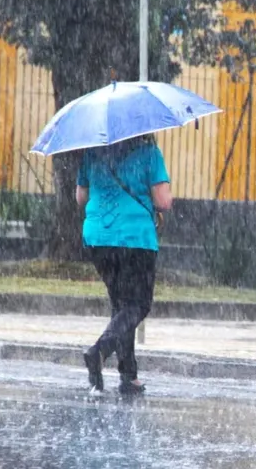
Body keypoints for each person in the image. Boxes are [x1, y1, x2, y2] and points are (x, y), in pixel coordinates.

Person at [76, 134, 172, 396]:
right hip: (135, 239)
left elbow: (81, 198)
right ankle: (100, 351)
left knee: (121, 306)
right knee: (138, 304)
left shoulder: (92, 151)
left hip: (98, 239)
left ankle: (128, 376)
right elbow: (163, 200)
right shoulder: (149, 152)